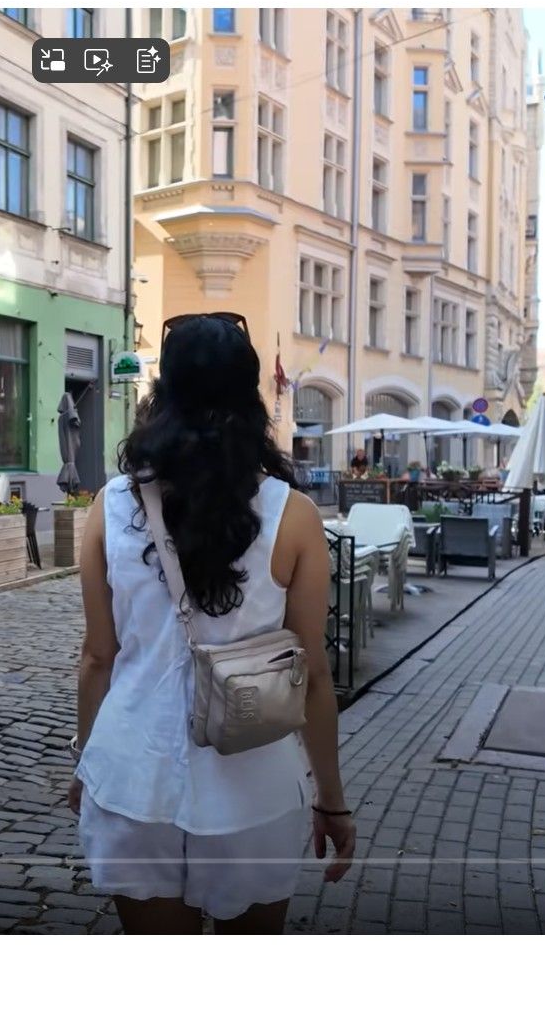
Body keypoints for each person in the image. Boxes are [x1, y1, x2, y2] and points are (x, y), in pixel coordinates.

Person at [69, 311, 356, 934]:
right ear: (250, 396)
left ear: (162, 393)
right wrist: (332, 801)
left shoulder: (111, 507)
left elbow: (97, 658)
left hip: (132, 775)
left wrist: (86, 760)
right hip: (253, 785)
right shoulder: (295, 516)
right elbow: (312, 675)